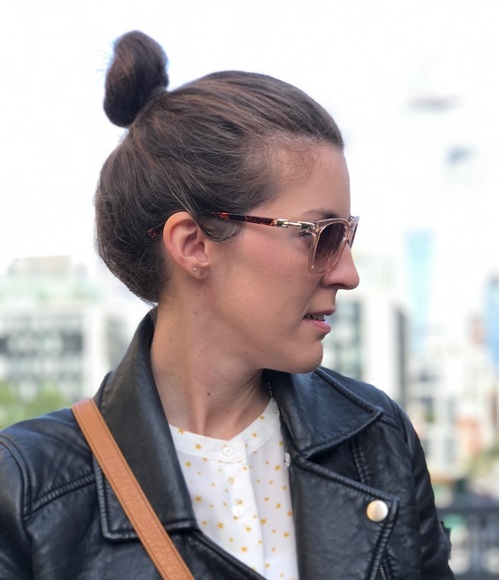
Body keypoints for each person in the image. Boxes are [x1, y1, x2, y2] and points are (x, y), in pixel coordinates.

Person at [0, 30, 453, 580]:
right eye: (320, 234)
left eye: (346, 235)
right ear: (193, 245)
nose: (347, 274)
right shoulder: (26, 487)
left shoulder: (376, 436)